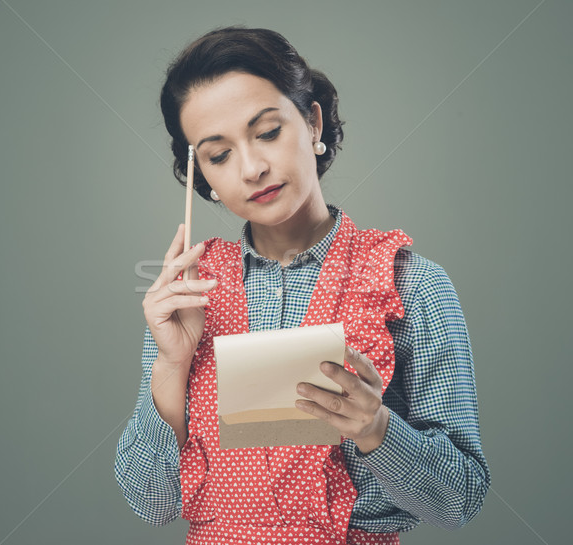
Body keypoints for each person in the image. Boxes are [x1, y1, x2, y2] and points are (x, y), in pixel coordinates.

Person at [115, 26, 490, 545]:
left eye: (267, 131)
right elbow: (150, 503)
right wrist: (172, 364)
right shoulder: (189, 297)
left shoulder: (410, 284)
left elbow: (462, 499)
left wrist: (375, 429)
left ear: (312, 121)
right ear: (201, 175)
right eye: (219, 155)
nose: (252, 168)